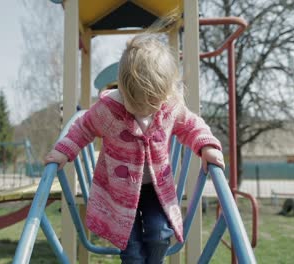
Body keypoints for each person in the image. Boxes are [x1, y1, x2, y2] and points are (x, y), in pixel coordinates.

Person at [44, 34, 225, 263]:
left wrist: (207, 146)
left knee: (159, 235)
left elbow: (192, 125)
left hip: (155, 189)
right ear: (123, 89)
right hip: (118, 191)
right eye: (136, 105)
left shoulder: (169, 107)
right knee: (131, 252)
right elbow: (83, 127)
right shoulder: (109, 110)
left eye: (152, 105)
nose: (144, 112)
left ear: (166, 92)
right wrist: (64, 150)